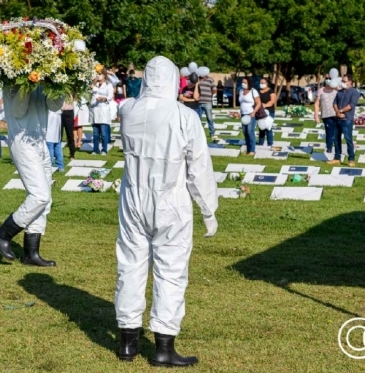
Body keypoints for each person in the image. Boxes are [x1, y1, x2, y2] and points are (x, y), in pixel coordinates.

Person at [115, 56, 218, 367]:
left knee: (130, 265)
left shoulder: (128, 110)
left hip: (133, 197)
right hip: (170, 198)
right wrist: (208, 209)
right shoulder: (184, 116)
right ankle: (163, 345)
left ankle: (128, 342)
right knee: (170, 270)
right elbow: (199, 167)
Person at [0, 85, 64, 266]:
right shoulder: (15, 79)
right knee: (40, 196)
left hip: (40, 141)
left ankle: (31, 254)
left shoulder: (43, 77)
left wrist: (59, 85)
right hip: (22, 141)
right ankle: (3, 234)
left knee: (45, 201)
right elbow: (18, 110)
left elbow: (54, 106)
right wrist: (27, 83)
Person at [329, 74, 360, 167]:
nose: (342, 83)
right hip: (337, 118)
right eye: (342, 81)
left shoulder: (355, 92)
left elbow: (351, 105)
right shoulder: (339, 92)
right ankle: (337, 158)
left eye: (344, 81)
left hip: (347, 119)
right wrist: (337, 112)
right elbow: (334, 103)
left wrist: (341, 111)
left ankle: (351, 159)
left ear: (350, 82)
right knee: (336, 139)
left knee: (348, 139)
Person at [91, 68, 113, 155]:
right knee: (95, 133)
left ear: (104, 75)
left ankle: (104, 149)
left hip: (103, 109)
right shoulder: (95, 84)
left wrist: (104, 98)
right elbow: (90, 89)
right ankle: (95, 149)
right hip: (94, 110)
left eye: (99, 74)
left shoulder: (108, 85)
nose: (98, 76)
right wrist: (94, 81)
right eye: (97, 74)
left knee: (103, 133)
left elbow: (110, 96)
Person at [314, 75, 338, 153]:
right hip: (326, 115)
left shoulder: (337, 90)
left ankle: (337, 150)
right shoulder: (321, 90)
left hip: (337, 114)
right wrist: (316, 115)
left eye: (330, 79)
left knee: (336, 133)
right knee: (329, 133)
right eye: (327, 78)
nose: (328, 80)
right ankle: (329, 149)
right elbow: (317, 103)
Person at [238, 77, 261, 155]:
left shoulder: (253, 91)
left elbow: (258, 103)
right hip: (243, 114)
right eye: (242, 82)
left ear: (249, 83)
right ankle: (248, 149)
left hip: (251, 114)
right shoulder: (241, 91)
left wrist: (254, 112)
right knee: (245, 132)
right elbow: (241, 103)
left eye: (245, 82)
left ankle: (252, 150)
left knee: (250, 131)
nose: (243, 84)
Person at [257, 78, 276, 146]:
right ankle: (260, 143)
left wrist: (265, 105)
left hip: (269, 111)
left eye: (263, 83)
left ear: (267, 83)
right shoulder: (258, 91)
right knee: (261, 128)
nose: (261, 84)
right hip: (260, 111)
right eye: (260, 83)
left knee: (268, 127)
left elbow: (272, 101)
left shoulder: (271, 91)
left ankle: (270, 143)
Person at [197, 72, 216, 137]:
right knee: (198, 118)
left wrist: (209, 95)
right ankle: (198, 133)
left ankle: (212, 133)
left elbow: (214, 89)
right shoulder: (197, 79)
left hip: (207, 102)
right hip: (199, 102)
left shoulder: (210, 79)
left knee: (209, 118)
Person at [61, 97, 76, 161]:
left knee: (70, 134)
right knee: (59, 134)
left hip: (69, 112)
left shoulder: (71, 90)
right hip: (60, 112)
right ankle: (57, 154)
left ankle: (72, 154)